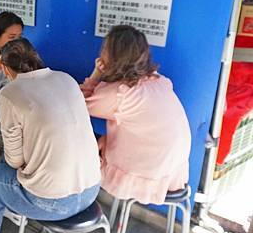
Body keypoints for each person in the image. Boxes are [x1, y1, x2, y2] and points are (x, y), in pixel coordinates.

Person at [0, 38, 101, 233]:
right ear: (37, 58)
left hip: (53, 204)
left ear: (5, 69)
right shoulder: (66, 79)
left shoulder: (9, 94)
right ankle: (11, 209)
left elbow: (14, 161)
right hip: (92, 190)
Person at [80, 25, 190, 204]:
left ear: (113, 55)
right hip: (171, 172)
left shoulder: (120, 94)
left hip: (142, 174)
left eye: (105, 48)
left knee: (80, 140)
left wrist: (96, 74)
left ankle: (74, 200)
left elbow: (78, 105)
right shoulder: (159, 80)